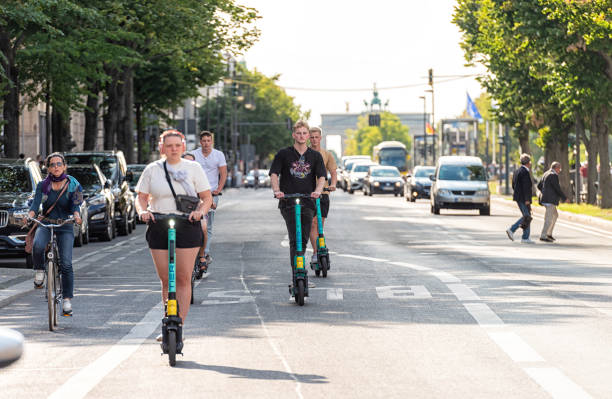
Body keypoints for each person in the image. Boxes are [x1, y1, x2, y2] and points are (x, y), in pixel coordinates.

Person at [136, 130, 212, 339]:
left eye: (177, 145)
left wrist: (200, 212)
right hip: (159, 223)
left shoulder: (193, 168)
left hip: (187, 223)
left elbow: (206, 198)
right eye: (169, 146)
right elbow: (141, 197)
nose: (173, 149)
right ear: (162, 147)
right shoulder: (153, 169)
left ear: (183, 147)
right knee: (165, 278)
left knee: (182, 277)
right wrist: (142, 212)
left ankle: (178, 325)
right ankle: (168, 316)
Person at [270, 120, 326, 289]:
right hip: (288, 201)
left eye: (304, 133)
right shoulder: (283, 154)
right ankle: (297, 273)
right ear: (293, 135)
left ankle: (300, 270)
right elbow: (274, 173)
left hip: (308, 201)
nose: (302, 136)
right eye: (298, 133)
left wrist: (317, 191)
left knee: (304, 238)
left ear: (308, 136)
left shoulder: (315, 156)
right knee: (295, 239)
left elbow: (322, 177)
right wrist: (277, 190)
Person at [28, 153, 83, 315]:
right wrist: (30, 215)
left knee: (66, 263)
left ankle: (67, 300)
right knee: (38, 246)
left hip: (65, 224)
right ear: (48, 168)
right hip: (46, 222)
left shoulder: (74, 184)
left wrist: (77, 215)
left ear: (64, 166)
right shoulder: (42, 185)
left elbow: (76, 204)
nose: (56, 167)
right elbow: (36, 204)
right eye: (52, 165)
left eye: (59, 164)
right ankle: (39, 270)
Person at [190, 131, 227, 273]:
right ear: (200, 142)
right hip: (194, 193)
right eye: (203, 141)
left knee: (208, 225)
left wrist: (218, 189)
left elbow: (223, 173)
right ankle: (193, 250)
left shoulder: (218, 155)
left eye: (208, 140)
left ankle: (204, 253)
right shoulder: (194, 154)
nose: (206, 143)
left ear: (212, 141)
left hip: (210, 194)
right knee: (193, 221)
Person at [307, 126, 337, 265]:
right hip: (308, 194)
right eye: (311, 137)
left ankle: (319, 249)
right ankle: (315, 252)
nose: (314, 140)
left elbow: (333, 172)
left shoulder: (327, 154)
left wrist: (333, 184)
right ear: (309, 138)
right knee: (312, 224)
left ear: (320, 138)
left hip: (323, 193)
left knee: (320, 225)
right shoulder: (304, 154)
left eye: (316, 137)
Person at [506, 153, 535, 244]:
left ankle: (525, 237)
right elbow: (526, 187)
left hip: (519, 197)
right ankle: (512, 229)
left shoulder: (517, 171)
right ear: (529, 163)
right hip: (523, 198)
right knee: (527, 216)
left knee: (527, 216)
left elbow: (513, 185)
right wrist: (527, 199)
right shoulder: (525, 172)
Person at [538, 161, 567, 242]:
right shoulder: (553, 175)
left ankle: (549, 233)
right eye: (559, 169)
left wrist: (545, 192)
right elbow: (557, 188)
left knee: (555, 215)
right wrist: (564, 198)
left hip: (546, 199)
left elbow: (539, 185)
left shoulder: (546, 173)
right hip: (550, 200)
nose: (559, 170)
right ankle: (543, 235)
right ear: (556, 168)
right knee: (549, 218)